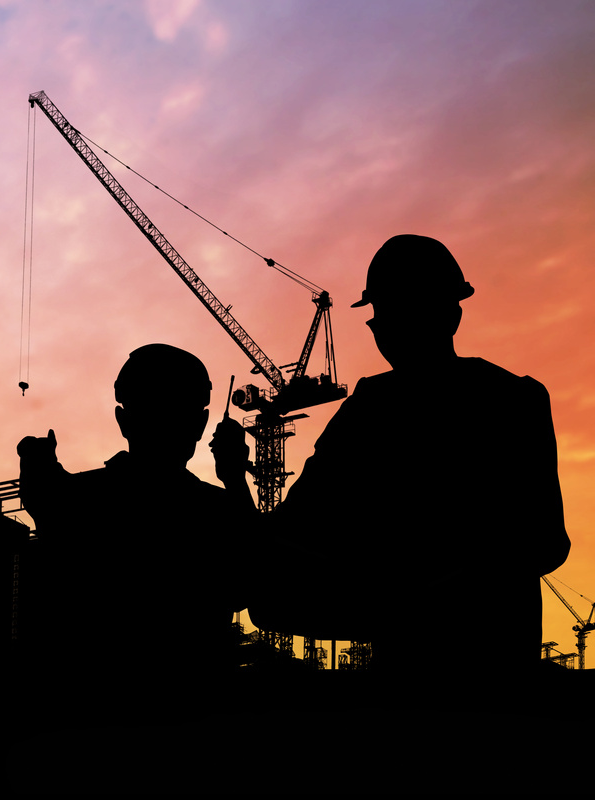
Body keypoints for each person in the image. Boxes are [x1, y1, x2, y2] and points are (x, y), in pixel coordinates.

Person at [228, 235, 569, 679]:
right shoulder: (514, 399)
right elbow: (546, 542)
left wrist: (418, 597)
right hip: (492, 671)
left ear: (447, 315)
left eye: (387, 316)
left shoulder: (373, 412)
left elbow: (285, 540)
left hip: (428, 671)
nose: (383, 331)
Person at [17, 344, 251, 693]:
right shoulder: (216, 510)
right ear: (201, 426)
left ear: (123, 420)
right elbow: (249, 584)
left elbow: (52, 519)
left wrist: (42, 478)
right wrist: (234, 478)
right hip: (194, 696)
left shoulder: (81, 499)